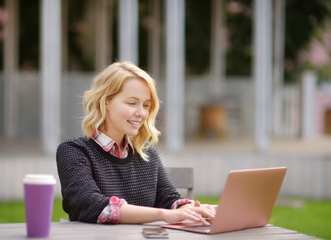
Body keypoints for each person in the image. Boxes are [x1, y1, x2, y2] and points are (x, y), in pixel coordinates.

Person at [56, 61, 217, 225]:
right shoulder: (74, 151)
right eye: (132, 103)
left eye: (146, 105)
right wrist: (164, 215)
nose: (141, 113)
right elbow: (92, 205)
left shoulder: (147, 154)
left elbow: (169, 199)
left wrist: (197, 208)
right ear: (105, 101)